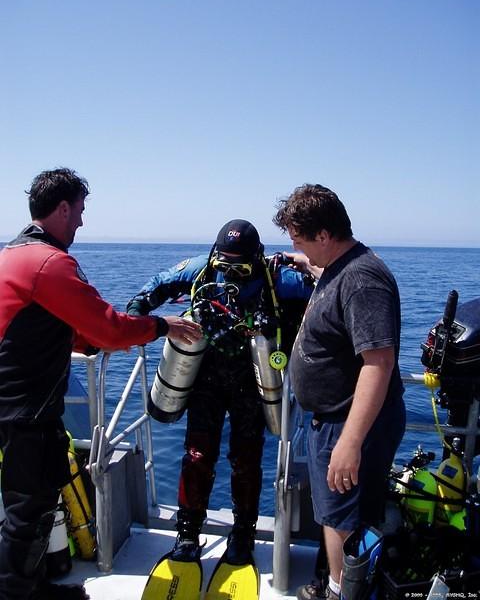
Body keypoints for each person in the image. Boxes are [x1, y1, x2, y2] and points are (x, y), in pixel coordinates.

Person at [0, 168, 201, 600]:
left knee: (32, 504)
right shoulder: (49, 262)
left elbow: (42, 324)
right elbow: (108, 329)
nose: (81, 223)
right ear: (63, 208)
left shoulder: (12, 255)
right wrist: (161, 325)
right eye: (80, 212)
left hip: (18, 406)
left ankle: (33, 587)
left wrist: (82, 339)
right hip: (24, 410)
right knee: (26, 511)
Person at [126, 218, 313, 565]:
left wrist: (302, 262)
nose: (231, 274)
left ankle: (243, 534)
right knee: (197, 457)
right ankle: (187, 534)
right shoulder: (201, 270)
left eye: (239, 266)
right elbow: (155, 288)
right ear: (215, 256)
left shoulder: (279, 279)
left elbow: (328, 290)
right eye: (224, 264)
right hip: (206, 379)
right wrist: (138, 317)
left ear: (256, 258)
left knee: (246, 462)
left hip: (253, 383)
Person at [273, 184, 406, 600]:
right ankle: (342, 586)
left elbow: (378, 363)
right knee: (338, 513)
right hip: (330, 419)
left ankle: (340, 592)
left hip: (346, 423)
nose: (299, 248)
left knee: (341, 518)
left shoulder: (363, 280)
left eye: (299, 240)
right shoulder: (338, 266)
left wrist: (349, 442)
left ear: (325, 236)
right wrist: (299, 261)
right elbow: (323, 273)